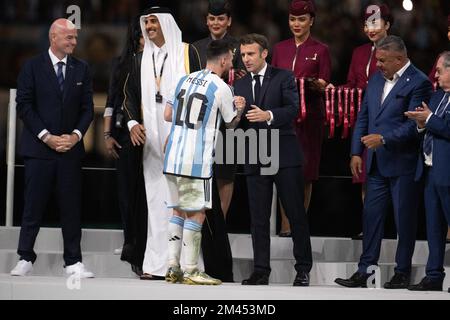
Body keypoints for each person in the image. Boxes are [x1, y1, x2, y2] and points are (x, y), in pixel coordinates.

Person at [335, 35, 432, 289]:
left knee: (405, 220)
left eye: (382, 60)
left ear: (399, 59)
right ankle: (364, 270)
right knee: (371, 218)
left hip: (403, 163)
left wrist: (385, 139)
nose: (377, 64)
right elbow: (363, 116)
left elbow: (416, 126)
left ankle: (401, 272)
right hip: (375, 163)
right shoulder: (376, 79)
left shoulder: (419, 82)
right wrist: (356, 151)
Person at [11, 19, 94, 278]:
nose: (74, 42)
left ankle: (73, 262)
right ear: (53, 38)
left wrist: (76, 136)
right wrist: (46, 137)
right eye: (69, 37)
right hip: (39, 150)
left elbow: (88, 109)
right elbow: (24, 105)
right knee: (32, 207)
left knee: (71, 208)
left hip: (70, 150)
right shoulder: (32, 67)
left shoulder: (82, 68)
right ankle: (25, 258)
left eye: (75, 37)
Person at [122, 7, 200, 280]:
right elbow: (128, 95)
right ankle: (156, 265)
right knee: (156, 201)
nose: (150, 25)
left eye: (154, 21)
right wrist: (132, 124)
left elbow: (196, 92)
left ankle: (185, 264)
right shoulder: (140, 58)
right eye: (147, 22)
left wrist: (179, 130)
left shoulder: (187, 53)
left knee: (183, 200)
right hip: (151, 142)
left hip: (181, 137)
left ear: (166, 23)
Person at [163, 39, 245, 285]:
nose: (231, 62)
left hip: (173, 156)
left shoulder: (182, 79)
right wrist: (238, 107)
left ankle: (172, 266)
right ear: (223, 60)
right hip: (197, 160)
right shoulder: (221, 87)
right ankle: (190, 270)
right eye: (231, 58)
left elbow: (167, 114)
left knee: (177, 210)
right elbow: (231, 123)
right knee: (197, 213)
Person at [235, 33, 312, 286]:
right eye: (243, 54)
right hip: (255, 153)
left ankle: (302, 269)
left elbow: (293, 109)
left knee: (294, 212)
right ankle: (260, 270)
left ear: (264, 53)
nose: (246, 59)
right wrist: (235, 113)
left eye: (251, 54)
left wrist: (267, 114)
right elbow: (236, 124)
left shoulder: (284, 77)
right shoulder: (241, 85)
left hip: (284, 154)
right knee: (258, 216)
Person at [190, 0, 245, 283]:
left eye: (220, 19)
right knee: (199, 179)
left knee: (225, 176)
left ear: (229, 21)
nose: (215, 23)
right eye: (211, 18)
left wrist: (238, 106)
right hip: (200, 128)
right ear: (207, 20)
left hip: (230, 123)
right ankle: (201, 234)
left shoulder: (240, 46)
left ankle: (216, 228)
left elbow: (247, 80)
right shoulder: (194, 48)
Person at [330, 3, 392, 239]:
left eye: (375, 23)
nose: (371, 28)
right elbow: (352, 86)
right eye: (367, 24)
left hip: (386, 122)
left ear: (387, 25)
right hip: (362, 121)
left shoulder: (396, 50)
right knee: (364, 177)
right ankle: (370, 228)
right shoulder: (359, 52)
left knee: (384, 176)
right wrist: (334, 91)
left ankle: (385, 229)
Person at [271, 0, 331, 237]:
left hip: (309, 121)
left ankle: (298, 224)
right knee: (283, 171)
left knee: (305, 173)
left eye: (302, 19)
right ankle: (285, 225)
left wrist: (313, 85)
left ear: (311, 21)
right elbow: (271, 80)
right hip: (282, 120)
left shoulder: (321, 50)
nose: (297, 24)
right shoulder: (279, 48)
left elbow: (325, 82)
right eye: (293, 19)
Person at [103, 15, 146, 276]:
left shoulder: (163, 62)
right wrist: (108, 134)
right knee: (127, 193)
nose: (146, 38)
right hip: (124, 136)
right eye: (142, 34)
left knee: (148, 193)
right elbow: (111, 101)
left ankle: (146, 245)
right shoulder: (121, 63)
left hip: (153, 135)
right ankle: (131, 245)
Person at [406, 51, 450, 292]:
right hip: (430, 170)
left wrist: (429, 119)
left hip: (448, 171)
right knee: (433, 228)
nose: (436, 74)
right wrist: (421, 123)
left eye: (440, 70)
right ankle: (433, 275)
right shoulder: (435, 97)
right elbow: (430, 126)